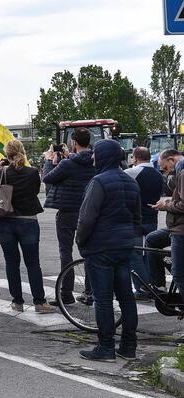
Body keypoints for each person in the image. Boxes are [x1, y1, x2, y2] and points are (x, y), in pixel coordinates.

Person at [75, 139, 140, 361]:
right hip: (124, 246)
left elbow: (87, 218)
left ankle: (106, 347)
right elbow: (137, 217)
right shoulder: (131, 182)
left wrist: (80, 241)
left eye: (95, 155)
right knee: (126, 298)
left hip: (100, 248)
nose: (92, 158)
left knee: (103, 300)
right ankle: (129, 346)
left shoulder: (98, 182)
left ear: (102, 157)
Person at [0, 140, 54, 313]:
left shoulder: (3, 172)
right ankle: (39, 302)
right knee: (33, 263)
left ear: (7, 154)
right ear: (22, 151)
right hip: (28, 220)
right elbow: (34, 191)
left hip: (5, 221)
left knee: (11, 262)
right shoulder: (32, 172)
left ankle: (17, 302)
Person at [42, 127, 96, 306]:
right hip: (89, 211)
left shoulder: (67, 164)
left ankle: (66, 294)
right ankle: (90, 292)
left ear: (73, 142)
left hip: (67, 212)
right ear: (89, 141)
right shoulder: (96, 161)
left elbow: (48, 178)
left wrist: (50, 160)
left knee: (65, 252)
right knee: (89, 252)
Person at [124, 147, 164, 299]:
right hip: (152, 217)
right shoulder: (158, 174)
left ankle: (143, 288)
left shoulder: (132, 172)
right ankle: (152, 284)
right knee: (149, 253)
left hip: (136, 218)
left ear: (135, 157)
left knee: (135, 254)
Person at [155, 149, 184, 296]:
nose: (166, 172)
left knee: (179, 274)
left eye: (165, 167)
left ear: (172, 160)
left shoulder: (183, 173)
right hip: (177, 226)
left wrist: (167, 206)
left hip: (180, 229)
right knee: (152, 239)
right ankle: (158, 284)